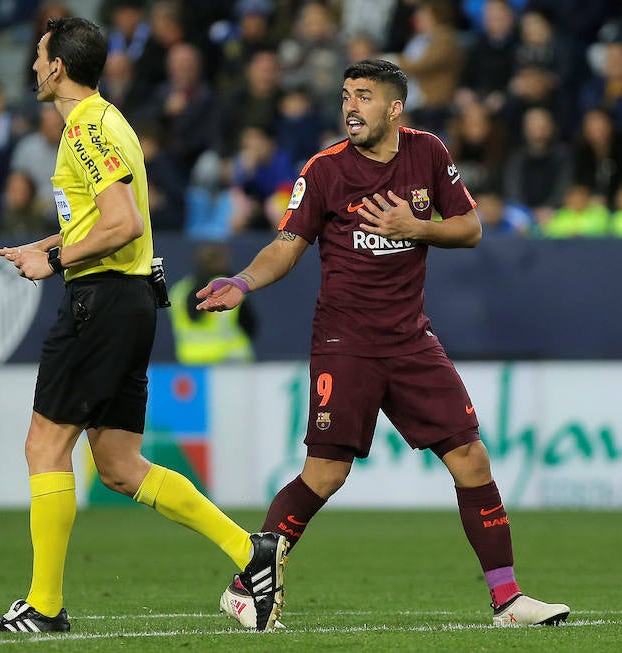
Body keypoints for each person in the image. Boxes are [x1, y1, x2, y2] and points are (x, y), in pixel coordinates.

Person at [197, 59, 570, 629]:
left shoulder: (429, 153)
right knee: (325, 473)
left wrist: (416, 227)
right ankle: (246, 587)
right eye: (347, 95)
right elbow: (287, 244)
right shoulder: (323, 170)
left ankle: (508, 600)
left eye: (364, 96)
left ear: (394, 109)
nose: (351, 106)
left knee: (471, 457)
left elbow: (469, 228)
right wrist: (243, 281)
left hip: (410, 337)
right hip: (345, 339)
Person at [0, 16, 286, 635]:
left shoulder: (85, 127)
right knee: (118, 464)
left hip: (101, 303)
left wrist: (55, 260)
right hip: (128, 300)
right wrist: (47, 247)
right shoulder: (108, 121)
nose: (32, 67)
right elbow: (108, 220)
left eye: (38, 57)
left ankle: (45, 606)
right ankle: (253, 551)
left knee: (45, 444)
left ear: (57, 67)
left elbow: (124, 224)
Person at [168, 241, 256, 365]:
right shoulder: (229, 288)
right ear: (222, 261)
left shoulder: (179, 290)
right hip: (231, 361)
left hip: (191, 361)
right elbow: (250, 325)